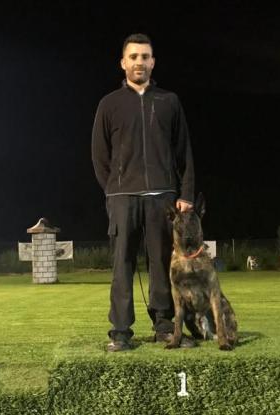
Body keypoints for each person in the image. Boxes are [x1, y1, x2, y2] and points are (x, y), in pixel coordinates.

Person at [92, 33, 196, 352]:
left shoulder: (169, 101)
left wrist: (186, 194)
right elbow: (99, 155)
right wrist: (114, 190)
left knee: (161, 262)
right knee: (122, 263)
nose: (140, 62)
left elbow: (184, 152)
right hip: (122, 198)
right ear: (123, 63)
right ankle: (121, 331)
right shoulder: (109, 104)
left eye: (145, 56)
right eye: (134, 56)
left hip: (163, 197)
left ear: (153, 62)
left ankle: (164, 325)